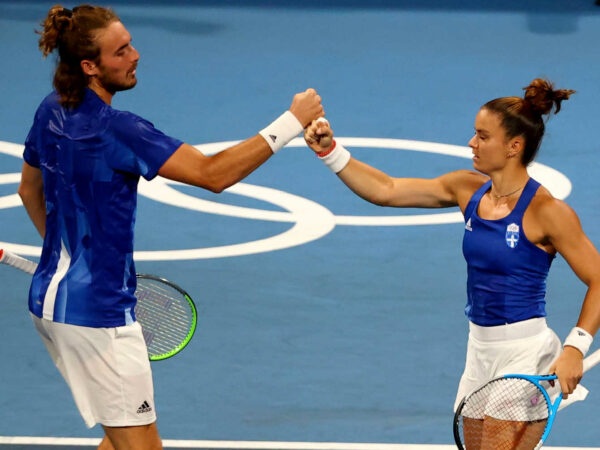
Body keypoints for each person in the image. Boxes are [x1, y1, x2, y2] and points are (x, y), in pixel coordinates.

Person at [18, 4, 324, 450]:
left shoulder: (50, 111)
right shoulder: (119, 130)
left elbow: (29, 191)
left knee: (123, 437)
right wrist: (291, 122)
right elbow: (212, 174)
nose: (135, 55)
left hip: (50, 305)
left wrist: (69, 259)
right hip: (98, 316)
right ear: (90, 66)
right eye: (120, 52)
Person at [304, 78, 600, 448]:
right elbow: (387, 190)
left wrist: (574, 348)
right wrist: (330, 151)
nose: (471, 143)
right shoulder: (467, 189)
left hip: (525, 354)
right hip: (479, 350)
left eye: (482, 136)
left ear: (514, 146)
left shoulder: (548, 212)